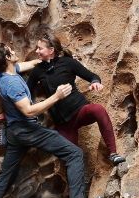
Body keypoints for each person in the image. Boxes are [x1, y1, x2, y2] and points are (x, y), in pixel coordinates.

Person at [0, 43, 101, 198]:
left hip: (14, 133)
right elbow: (28, 111)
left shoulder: (4, 74)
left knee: (6, 173)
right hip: (28, 130)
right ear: (8, 58)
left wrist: (45, 58)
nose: (15, 50)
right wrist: (56, 97)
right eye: (12, 50)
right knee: (74, 153)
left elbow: (30, 65)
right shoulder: (13, 83)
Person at [27, 32, 125, 165]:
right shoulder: (37, 71)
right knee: (72, 160)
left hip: (79, 111)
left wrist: (95, 82)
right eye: (37, 48)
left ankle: (113, 154)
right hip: (63, 123)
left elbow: (92, 76)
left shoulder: (68, 63)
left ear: (51, 51)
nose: (37, 51)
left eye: (40, 48)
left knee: (98, 109)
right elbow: (27, 93)